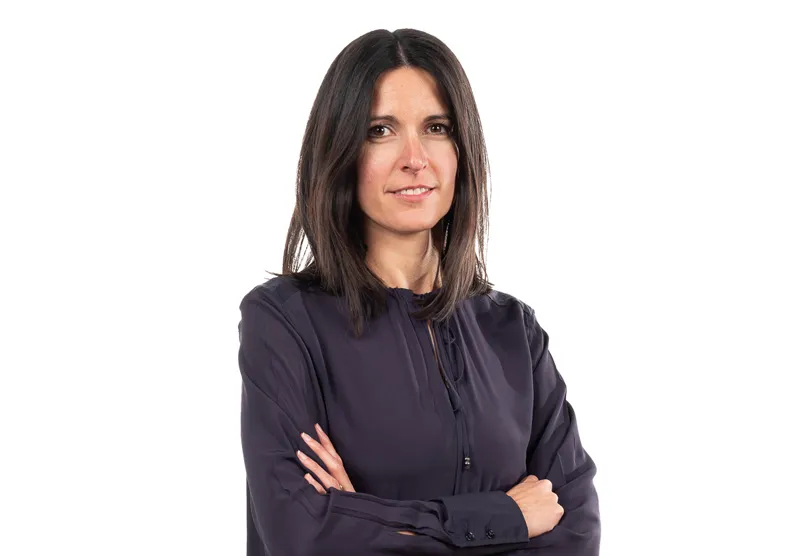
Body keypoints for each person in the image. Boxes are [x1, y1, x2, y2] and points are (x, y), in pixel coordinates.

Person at [237, 28, 601, 555]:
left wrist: (367, 519)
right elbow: (303, 537)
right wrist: (506, 517)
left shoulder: (513, 331)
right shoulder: (285, 322)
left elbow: (576, 533)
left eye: (436, 127)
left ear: (461, 149)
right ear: (341, 150)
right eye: (380, 130)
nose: (415, 157)